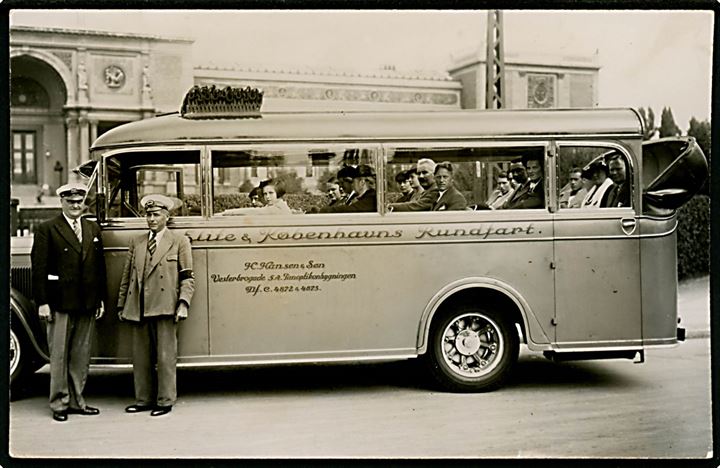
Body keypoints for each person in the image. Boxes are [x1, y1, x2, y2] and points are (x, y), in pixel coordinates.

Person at [31, 182, 106, 422]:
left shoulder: (92, 228)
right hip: (59, 302)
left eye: (79, 202)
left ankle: (77, 401)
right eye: (70, 202)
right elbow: (39, 268)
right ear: (61, 202)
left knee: (81, 356)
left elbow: (99, 267)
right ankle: (59, 404)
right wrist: (42, 302)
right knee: (60, 355)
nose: (75, 206)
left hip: (87, 302)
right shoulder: (48, 228)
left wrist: (101, 299)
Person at [117, 194, 195, 417]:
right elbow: (127, 276)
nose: (151, 219)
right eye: (148, 215)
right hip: (138, 306)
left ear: (166, 217)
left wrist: (183, 303)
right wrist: (122, 305)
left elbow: (187, 276)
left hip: (165, 306)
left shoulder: (179, 241)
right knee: (140, 358)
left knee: (165, 357)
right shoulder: (137, 241)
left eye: (156, 215)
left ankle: (164, 401)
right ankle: (143, 400)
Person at [223, 180, 292, 215]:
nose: (267, 197)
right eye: (265, 194)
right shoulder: (274, 206)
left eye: (271, 193)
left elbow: (254, 211)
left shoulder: (278, 208)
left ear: (278, 193)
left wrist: (227, 213)